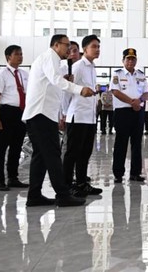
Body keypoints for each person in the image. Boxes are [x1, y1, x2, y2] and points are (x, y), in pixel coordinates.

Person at [22, 35, 95, 207]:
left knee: (40, 156)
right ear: (56, 45)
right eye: (66, 45)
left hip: (43, 114)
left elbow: (54, 83)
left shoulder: (53, 60)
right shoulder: (49, 56)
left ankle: (34, 195)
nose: (69, 49)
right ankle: (63, 195)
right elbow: (56, 80)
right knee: (53, 154)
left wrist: (65, 81)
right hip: (40, 115)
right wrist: (79, 89)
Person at [63, 35, 103, 197]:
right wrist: (65, 114)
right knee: (72, 153)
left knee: (85, 152)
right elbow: (67, 91)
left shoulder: (92, 68)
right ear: (85, 49)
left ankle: (81, 183)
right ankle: (66, 186)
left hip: (90, 117)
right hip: (77, 116)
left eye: (99, 46)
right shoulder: (78, 66)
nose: (97, 49)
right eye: (94, 46)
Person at [0, 45, 30, 191]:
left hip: (21, 113)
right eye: (17, 54)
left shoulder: (24, 74)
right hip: (6, 113)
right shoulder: (1, 75)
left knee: (16, 147)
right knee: (1, 148)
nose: (20, 56)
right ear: (8, 57)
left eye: (21, 54)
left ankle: (13, 177)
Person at [110, 48, 148, 183]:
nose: (130, 61)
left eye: (133, 59)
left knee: (137, 143)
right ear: (123, 61)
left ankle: (135, 173)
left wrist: (140, 101)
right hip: (122, 112)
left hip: (138, 112)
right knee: (121, 143)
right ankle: (118, 174)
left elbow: (146, 92)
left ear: (136, 60)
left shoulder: (141, 75)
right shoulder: (117, 74)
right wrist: (132, 102)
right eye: (128, 59)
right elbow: (115, 92)